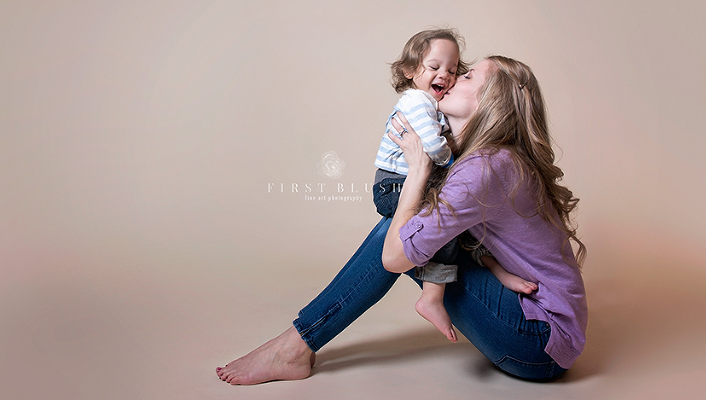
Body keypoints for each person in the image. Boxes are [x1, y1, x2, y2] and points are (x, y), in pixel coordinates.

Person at [216, 55, 587, 385]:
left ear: (493, 102)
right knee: (408, 230)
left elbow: (394, 256)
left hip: (538, 343)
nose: (455, 77)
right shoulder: (491, 159)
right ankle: (297, 343)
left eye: (470, 76)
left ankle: (294, 347)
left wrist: (417, 170)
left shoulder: (485, 167)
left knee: (391, 235)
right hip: (536, 322)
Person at [374, 30, 537, 341]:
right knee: (419, 230)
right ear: (410, 71)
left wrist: (432, 164)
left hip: (407, 182)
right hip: (393, 185)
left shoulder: (486, 164)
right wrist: (444, 161)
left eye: (456, 71)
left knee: (437, 227)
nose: (447, 77)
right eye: (435, 67)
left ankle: (300, 340)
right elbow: (435, 147)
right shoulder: (418, 102)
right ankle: (433, 297)